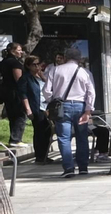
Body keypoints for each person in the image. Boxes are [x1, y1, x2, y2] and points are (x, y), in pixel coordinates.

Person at [41, 47, 95, 177]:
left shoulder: (55, 70)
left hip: (62, 106)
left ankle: (69, 168)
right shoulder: (85, 72)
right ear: (79, 59)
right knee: (82, 137)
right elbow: (91, 92)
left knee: (64, 138)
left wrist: (52, 101)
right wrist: (88, 111)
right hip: (80, 106)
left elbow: (46, 90)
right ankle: (83, 167)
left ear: (65, 57)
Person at [21, 55, 51, 162]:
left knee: (47, 131)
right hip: (36, 107)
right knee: (40, 131)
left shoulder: (40, 77)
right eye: (34, 64)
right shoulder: (25, 78)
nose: (37, 66)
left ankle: (45, 155)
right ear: (28, 66)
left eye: (39, 64)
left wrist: (43, 77)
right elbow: (23, 95)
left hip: (46, 106)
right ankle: (40, 156)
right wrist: (28, 109)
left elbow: (49, 88)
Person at [1, 41, 25, 146]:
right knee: (20, 115)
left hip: (5, 91)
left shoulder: (3, 62)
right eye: (19, 50)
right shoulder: (15, 63)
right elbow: (18, 79)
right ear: (12, 51)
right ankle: (16, 139)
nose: (21, 52)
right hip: (15, 92)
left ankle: (13, 138)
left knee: (12, 116)